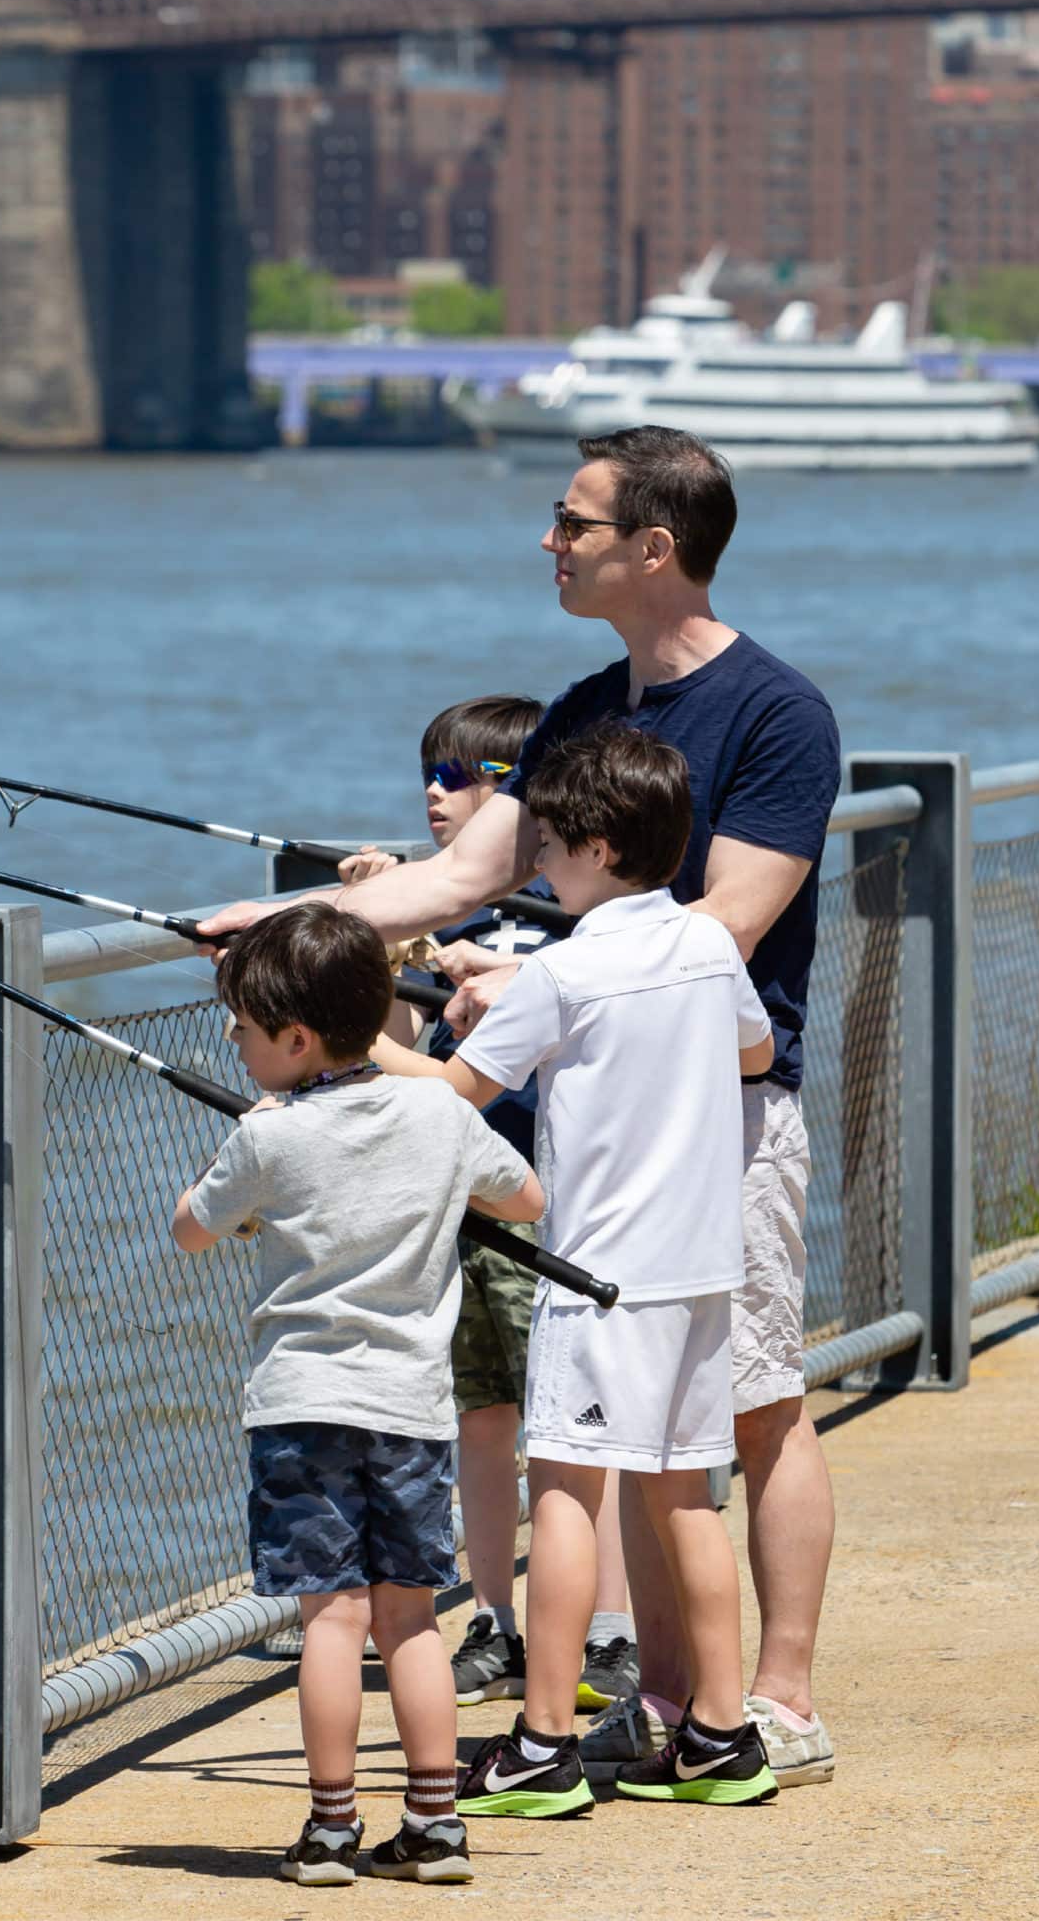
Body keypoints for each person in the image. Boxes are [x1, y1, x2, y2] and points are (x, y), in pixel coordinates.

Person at [199, 426, 842, 1786]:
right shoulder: (580, 710)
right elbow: (453, 883)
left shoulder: (780, 715)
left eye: (572, 523)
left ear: (652, 549)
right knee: (661, 1449)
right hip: (594, 1127)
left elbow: (724, 929)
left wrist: (540, 971)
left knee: (756, 1405)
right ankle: (671, 1704)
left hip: (728, 1117)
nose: (546, 543)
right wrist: (296, 922)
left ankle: (778, 1698)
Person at [431, 724, 780, 1814]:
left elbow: (449, 1100)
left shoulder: (565, 972)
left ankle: (541, 1742)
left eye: (542, 843)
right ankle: (722, 1733)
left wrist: (362, 1045)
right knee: (688, 1497)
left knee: (567, 1491)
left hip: (596, 1278)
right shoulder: (706, 947)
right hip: (697, 1269)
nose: (533, 861)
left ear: (588, 843)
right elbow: (756, 1052)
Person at [171, 905, 542, 1886]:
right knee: (410, 1616)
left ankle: (331, 1827)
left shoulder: (269, 1137)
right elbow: (527, 1198)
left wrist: (252, 1156)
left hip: (301, 1409)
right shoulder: (442, 1114)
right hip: (413, 1412)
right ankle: (435, 1823)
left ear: (295, 1040)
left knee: (328, 1619)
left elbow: (190, 1230)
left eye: (243, 1029)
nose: (232, 1041)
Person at [344, 694, 639, 1714]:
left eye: (463, 775)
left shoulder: (581, 920)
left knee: (577, 1426)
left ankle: (610, 1633)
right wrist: (377, 935)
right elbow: (391, 1051)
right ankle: (495, 1621)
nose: (437, 791)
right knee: (482, 1418)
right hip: (461, 1206)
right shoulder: (441, 921)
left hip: (554, 1201)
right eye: (430, 771)